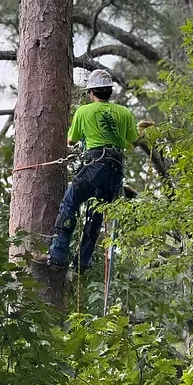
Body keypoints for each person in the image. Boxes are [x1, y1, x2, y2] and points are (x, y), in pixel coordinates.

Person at [45, 69, 150, 274]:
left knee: (69, 203)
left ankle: (58, 256)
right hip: (115, 173)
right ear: (109, 92)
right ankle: (82, 263)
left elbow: (71, 141)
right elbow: (134, 140)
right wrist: (141, 129)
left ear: (91, 92)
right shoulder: (124, 112)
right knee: (95, 217)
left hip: (94, 166)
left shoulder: (84, 112)